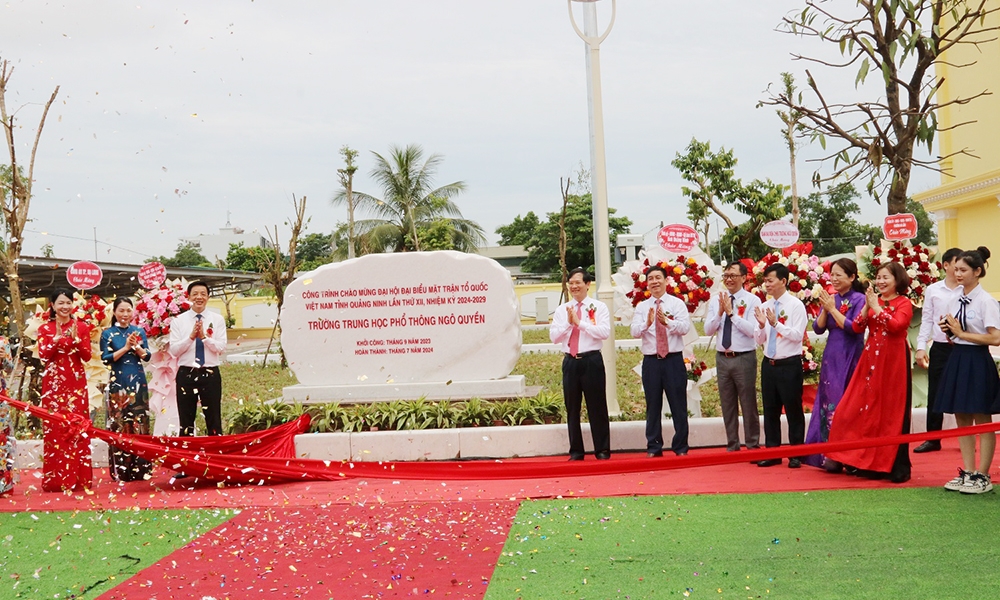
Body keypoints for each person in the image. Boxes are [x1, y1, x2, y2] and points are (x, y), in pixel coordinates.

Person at [826, 262, 913, 483]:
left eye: (886, 278)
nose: (881, 282)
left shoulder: (904, 302)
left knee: (891, 411)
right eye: (878, 277)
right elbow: (856, 327)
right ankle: (867, 462)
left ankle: (894, 465)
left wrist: (877, 307)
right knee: (860, 409)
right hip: (871, 358)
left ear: (897, 280)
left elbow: (896, 326)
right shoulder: (873, 301)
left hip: (894, 361)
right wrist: (867, 306)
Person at [935, 247, 1000, 494]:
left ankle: (983, 475)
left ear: (978, 271)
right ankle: (968, 472)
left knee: (982, 418)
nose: (957, 273)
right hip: (958, 357)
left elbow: (995, 339)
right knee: (961, 417)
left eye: (963, 270)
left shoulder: (987, 301)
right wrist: (949, 330)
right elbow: (954, 332)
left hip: (977, 360)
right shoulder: (954, 297)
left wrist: (962, 333)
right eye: (956, 269)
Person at [804, 258, 867, 469]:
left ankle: (848, 455)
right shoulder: (832, 299)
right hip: (832, 355)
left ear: (852, 277)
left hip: (851, 354)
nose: (834, 278)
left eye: (839, 274)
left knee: (847, 403)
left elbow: (852, 327)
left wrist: (832, 309)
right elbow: (819, 328)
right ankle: (828, 453)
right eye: (832, 274)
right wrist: (825, 308)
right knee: (828, 401)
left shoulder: (859, 299)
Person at [549, 267, 611, 461]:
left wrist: (580, 323)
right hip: (570, 362)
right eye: (571, 283)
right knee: (572, 407)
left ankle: (602, 449)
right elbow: (554, 337)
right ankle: (576, 450)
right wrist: (569, 322)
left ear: (587, 284)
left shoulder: (598, 307)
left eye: (578, 282)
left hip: (591, 360)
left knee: (597, 407)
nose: (574, 286)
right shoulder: (561, 309)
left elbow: (604, 332)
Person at [36, 289, 93, 492]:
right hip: (53, 384)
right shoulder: (45, 328)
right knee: (54, 429)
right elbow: (43, 356)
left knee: (77, 428)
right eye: (60, 303)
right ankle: (55, 480)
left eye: (68, 302)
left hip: (76, 382)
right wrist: (57, 338)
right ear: (52, 305)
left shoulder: (83, 327)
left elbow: (87, 356)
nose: (65, 307)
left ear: (73, 304)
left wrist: (76, 340)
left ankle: (79, 479)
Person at [631, 265, 691, 457]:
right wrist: (647, 323)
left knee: (678, 405)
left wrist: (667, 322)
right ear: (646, 283)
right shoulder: (642, 307)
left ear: (666, 281)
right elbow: (633, 332)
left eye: (658, 278)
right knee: (653, 405)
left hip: (673, 360)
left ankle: (681, 447)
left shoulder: (676, 303)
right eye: (651, 279)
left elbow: (685, 327)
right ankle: (654, 446)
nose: (655, 282)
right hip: (651, 362)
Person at [703, 261, 761, 452]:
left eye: (733, 276)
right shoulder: (716, 300)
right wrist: (720, 312)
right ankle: (732, 445)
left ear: (744, 278)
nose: (728, 279)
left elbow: (752, 331)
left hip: (743, 357)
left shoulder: (752, 301)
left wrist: (732, 314)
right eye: (726, 276)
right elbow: (708, 329)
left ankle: (752, 444)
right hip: (722, 357)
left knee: (748, 402)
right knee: (727, 404)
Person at [753, 263, 807, 468]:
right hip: (769, 364)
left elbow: (796, 335)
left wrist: (776, 323)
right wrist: (760, 326)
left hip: (789, 364)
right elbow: (759, 340)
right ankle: (773, 452)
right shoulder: (765, 307)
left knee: (793, 409)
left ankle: (796, 453)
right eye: (765, 280)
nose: (766, 284)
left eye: (770, 280)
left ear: (783, 281)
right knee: (770, 409)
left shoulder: (795, 306)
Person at [913, 247, 963, 453]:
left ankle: (965, 436)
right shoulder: (933, 289)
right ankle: (933, 438)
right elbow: (926, 320)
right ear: (946, 266)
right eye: (957, 265)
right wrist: (920, 347)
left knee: (964, 391)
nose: (960, 270)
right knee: (935, 392)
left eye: (964, 267)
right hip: (941, 348)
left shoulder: (967, 288)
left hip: (963, 346)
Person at [100, 297, 153, 481]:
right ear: (114, 312)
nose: (125, 314)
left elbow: (146, 356)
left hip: (138, 380)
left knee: (140, 422)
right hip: (118, 381)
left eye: (128, 310)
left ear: (133, 312)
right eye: (121, 310)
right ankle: (121, 470)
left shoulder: (138, 331)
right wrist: (125, 348)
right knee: (119, 424)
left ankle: (142, 469)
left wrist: (136, 346)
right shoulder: (108, 333)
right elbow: (105, 358)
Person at [169, 281, 227, 437]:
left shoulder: (218, 319)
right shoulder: (178, 321)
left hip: (210, 373)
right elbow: (174, 350)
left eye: (203, 294)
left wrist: (204, 337)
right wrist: (190, 338)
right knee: (186, 420)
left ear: (208, 297)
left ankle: (215, 454)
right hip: (186, 373)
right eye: (195, 294)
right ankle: (187, 456)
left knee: (213, 418)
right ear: (188, 297)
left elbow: (221, 347)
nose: (199, 297)